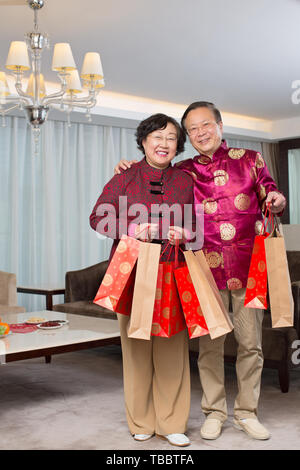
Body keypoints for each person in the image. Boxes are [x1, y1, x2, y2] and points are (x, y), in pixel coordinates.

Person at [114, 101, 286, 441]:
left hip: (249, 268)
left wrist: (277, 199)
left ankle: (247, 412)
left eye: (205, 125)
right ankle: (214, 411)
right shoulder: (183, 171)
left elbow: (269, 190)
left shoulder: (250, 159)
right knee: (209, 346)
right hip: (202, 271)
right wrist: (129, 168)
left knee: (250, 344)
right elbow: (153, 177)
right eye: (192, 129)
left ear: (220, 126)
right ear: (187, 137)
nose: (200, 133)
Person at [90, 113, 196, 447]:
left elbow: (198, 227)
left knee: (172, 348)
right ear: (144, 140)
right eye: (157, 136)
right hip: (131, 269)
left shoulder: (185, 181)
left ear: (178, 145)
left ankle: (172, 422)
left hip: (172, 269)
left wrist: (186, 232)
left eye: (171, 138)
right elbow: (97, 218)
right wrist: (132, 230)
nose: (164, 144)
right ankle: (141, 420)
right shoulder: (124, 177)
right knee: (135, 347)